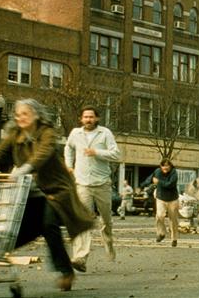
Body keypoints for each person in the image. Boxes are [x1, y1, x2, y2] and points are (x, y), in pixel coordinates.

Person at [0, 99, 93, 292]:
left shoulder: (47, 132)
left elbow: (42, 155)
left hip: (55, 190)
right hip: (29, 192)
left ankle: (66, 272)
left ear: (36, 115)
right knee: (20, 232)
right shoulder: (15, 134)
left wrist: (21, 170)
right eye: (17, 114)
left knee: (48, 224)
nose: (20, 118)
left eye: (25, 114)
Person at [64, 106, 121, 273]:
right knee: (83, 221)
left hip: (102, 183)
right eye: (85, 117)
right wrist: (69, 165)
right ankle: (80, 257)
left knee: (106, 220)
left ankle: (108, 242)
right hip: (82, 184)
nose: (88, 119)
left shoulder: (105, 133)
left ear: (97, 118)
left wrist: (96, 152)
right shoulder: (75, 133)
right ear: (81, 119)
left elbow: (116, 154)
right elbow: (68, 148)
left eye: (91, 117)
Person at [151, 158, 179, 247]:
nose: (165, 167)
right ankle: (161, 233)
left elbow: (170, 184)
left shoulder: (174, 173)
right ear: (161, 166)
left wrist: (159, 182)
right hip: (161, 198)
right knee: (159, 216)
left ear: (170, 166)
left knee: (173, 219)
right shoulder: (157, 171)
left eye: (167, 165)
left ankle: (174, 238)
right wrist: (144, 184)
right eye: (163, 165)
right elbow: (152, 178)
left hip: (172, 199)